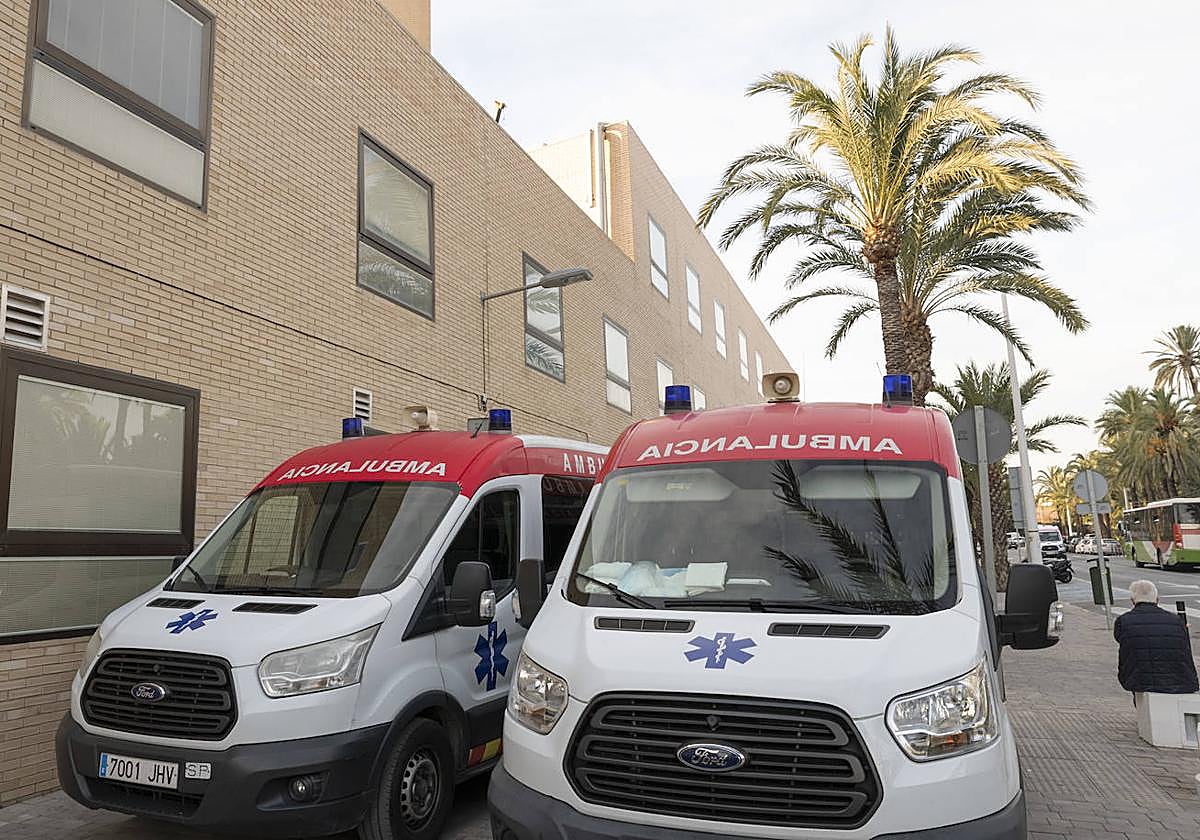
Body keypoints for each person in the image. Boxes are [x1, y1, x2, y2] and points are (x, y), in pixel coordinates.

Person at [1114, 580, 1199, 696]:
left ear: (1133, 601)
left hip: (1140, 681)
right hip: (1180, 681)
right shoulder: (1176, 620)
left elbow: (1121, 639)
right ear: (1157, 599)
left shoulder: (1123, 621)